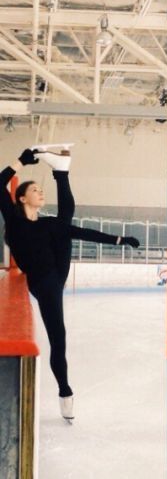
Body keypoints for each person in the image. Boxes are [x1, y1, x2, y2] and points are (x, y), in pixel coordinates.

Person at [0, 147, 139, 422]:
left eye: (42, 190)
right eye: (36, 190)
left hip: (56, 274)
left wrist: (119, 240)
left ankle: (62, 171)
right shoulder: (14, 220)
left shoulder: (47, 224)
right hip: (43, 282)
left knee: (64, 226)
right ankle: (61, 171)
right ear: (21, 197)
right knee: (58, 340)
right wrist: (19, 162)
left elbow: (82, 232)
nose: (40, 193)